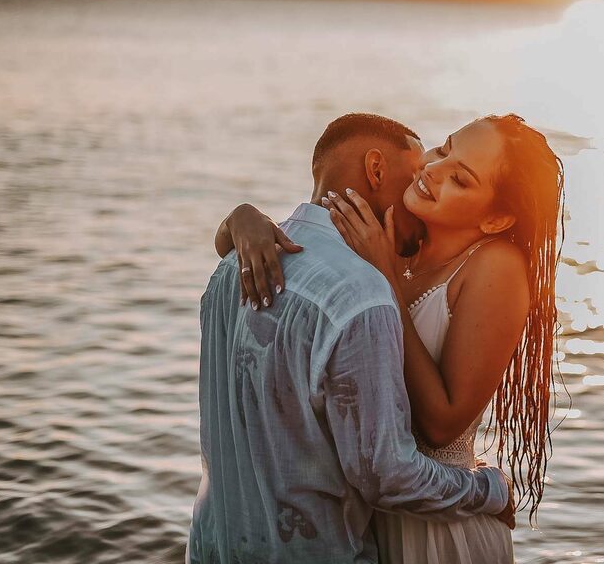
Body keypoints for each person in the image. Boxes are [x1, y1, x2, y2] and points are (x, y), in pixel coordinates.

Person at [219, 113, 564, 563]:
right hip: (369, 514)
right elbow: (305, 239)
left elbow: (441, 425)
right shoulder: (394, 242)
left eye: (459, 178)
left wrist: (383, 275)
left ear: (497, 217)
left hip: (438, 526)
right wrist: (243, 218)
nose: (434, 170)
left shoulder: (494, 267)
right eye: (444, 149)